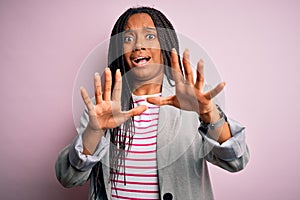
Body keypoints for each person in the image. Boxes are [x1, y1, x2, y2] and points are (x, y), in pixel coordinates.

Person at [55, 6, 249, 200]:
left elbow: (236, 161)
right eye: (128, 38)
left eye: (149, 36)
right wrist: (95, 131)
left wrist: (208, 113)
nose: (138, 45)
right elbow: (68, 177)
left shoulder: (193, 99)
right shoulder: (102, 106)